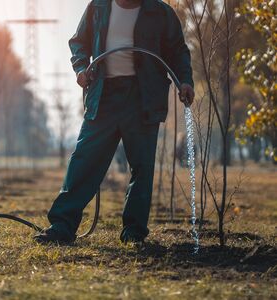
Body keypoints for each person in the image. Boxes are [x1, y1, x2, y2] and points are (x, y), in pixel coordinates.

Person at [34, 0, 195, 244]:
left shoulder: (160, 12)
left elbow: (178, 50)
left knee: (142, 167)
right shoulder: (98, 7)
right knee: (84, 160)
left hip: (143, 98)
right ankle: (62, 226)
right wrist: (80, 68)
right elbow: (79, 42)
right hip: (103, 95)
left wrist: (185, 80)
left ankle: (134, 232)